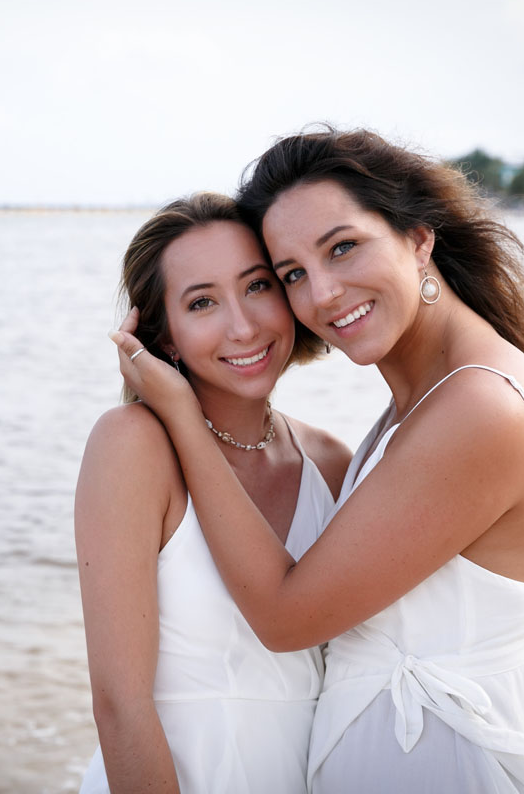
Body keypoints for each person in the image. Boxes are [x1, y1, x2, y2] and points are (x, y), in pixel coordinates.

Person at [111, 128, 524, 793]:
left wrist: (183, 420)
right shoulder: (421, 402)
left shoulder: (475, 401)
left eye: (343, 247)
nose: (324, 293)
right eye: (293, 274)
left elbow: (287, 619)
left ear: (418, 237)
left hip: (445, 759)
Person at [75, 192, 352, 793]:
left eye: (258, 287)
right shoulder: (132, 447)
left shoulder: (331, 464)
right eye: (202, 302)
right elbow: (119, 705)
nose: (243, 325)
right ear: (164, 337)